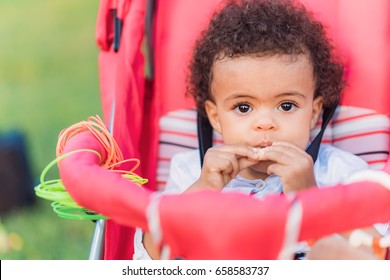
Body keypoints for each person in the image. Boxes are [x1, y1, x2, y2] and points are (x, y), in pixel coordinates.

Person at [134, 0, 387, 260]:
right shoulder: (191, 171)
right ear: (215, 117)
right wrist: (204, 188)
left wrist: (311, 197)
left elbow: (376, 254)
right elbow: (149, 258)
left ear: (313, 113)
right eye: (243, 108)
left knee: (328, 252)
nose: (265, 123)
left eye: (286, 105)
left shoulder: (340, 173)